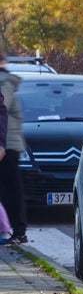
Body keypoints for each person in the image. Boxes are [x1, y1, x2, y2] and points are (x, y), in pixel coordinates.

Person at [0, 53, 28, 246]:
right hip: (7, 143)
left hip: (6, 145)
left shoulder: (4, 83)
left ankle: (17, 230)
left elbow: (2, 107)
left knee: (10, 189)